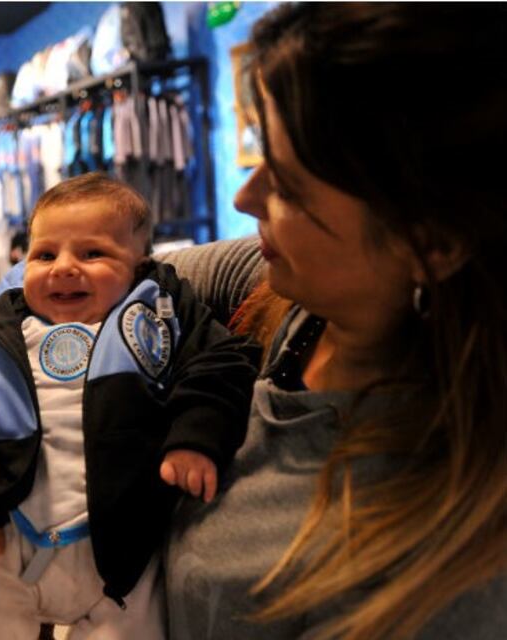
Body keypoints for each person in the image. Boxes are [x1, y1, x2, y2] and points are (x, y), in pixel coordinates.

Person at [160, 4, 507, 640]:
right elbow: (134, 282)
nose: (245, 198)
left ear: (432, 244)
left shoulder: (451, 579)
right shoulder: (300, 306)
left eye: (289, 189)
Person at [0, 172, 260, 638]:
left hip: (124, 557)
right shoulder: (6, 325)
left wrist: (196, 436)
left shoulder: (162, 314)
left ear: (139, 265)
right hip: (7, 545)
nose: (63, 267)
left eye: (93, 253)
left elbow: (223, 362)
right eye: (44, 255)